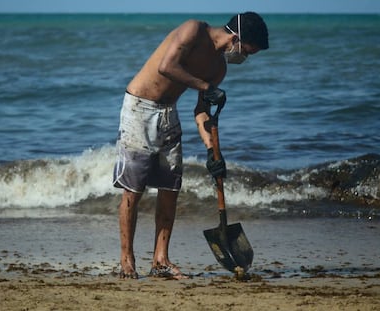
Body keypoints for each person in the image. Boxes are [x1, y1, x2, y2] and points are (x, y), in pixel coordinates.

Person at [113, 12, 269, 280]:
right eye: (247, 52)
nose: (245, 58)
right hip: (139, 107)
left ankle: (160, 260)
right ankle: (127, 259)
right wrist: (206, 86)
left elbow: (201, 111)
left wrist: (212, 152)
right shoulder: (193, 31)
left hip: (168, 113)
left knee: (170, 187)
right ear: (235, 38)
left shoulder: (219, 68)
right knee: (134, 189)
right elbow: (167, 66)